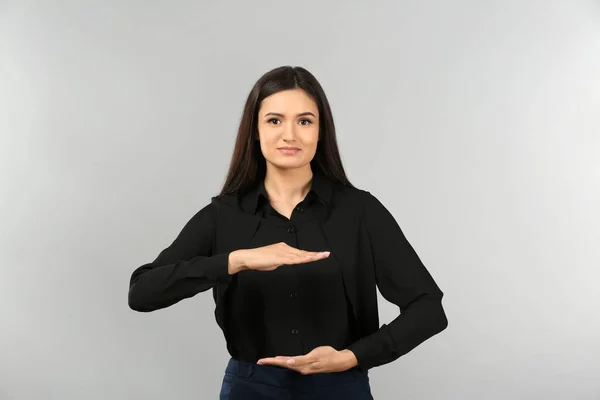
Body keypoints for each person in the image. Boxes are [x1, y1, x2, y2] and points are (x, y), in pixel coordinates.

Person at [128, 65, 448, 399]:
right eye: (275, 120)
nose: (290, 135)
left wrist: (352, 357)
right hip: (250, 390)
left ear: (321, 131)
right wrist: (236, 260)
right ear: (255, 130)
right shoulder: (222, 216)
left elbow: (428, 308)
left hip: (340, 388)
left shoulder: (360, 212)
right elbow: (142, 292)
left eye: (305, 121)